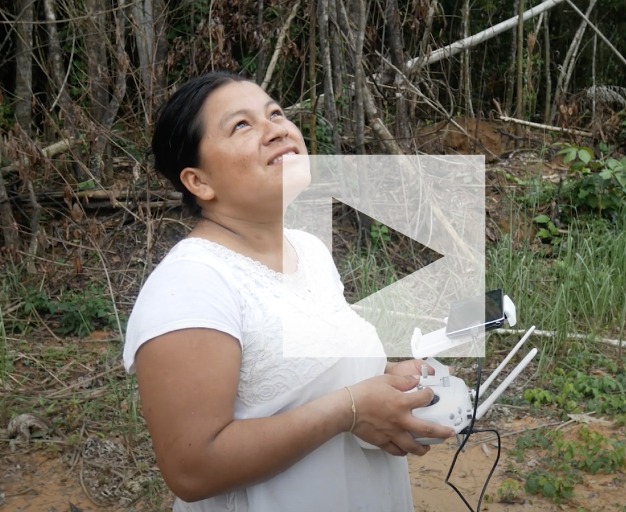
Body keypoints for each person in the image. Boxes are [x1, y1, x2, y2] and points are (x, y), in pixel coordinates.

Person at [122, 71, 453, 511]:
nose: (276, 128)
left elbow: (307, 383)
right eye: (241, 125)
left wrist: (379, 383)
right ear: (199, 182)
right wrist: (349, 408)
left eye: (275, 113)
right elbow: (192, 468)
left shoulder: (308, 249)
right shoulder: (189, 286)